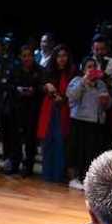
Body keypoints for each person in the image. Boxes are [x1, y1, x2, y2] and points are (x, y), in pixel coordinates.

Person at [65, 58, 111, 189]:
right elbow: (71, 96)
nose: (92, 69)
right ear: (84, 69)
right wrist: (84, 82)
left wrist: (106, 102)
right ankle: (73, 179)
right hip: (79, 120)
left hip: (95, 122)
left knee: (91, 152)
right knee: (77, 150)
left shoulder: (101, 83)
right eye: (89, 67)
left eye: (94, 67)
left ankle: (87, 179)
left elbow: (108, 103)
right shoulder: (77, 81)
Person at [3, 44, 45, 177]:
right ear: (21, 57)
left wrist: (34, 90)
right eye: (25, 56)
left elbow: (43, 87)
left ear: (34, 56)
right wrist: (17, 90)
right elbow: (7, 85)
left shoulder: (40, 70)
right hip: (16, 108)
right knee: (15, 139)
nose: (27, 58)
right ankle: (15, 164)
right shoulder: (14, 69)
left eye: (30, 55)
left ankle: (28, 166)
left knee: (29, 140)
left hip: (32, 110)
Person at [36, 45, 76, 183]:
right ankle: (47, 175)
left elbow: (74, 93)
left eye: (64, 56)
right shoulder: (49, 71)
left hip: (64, 110)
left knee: (60, 143)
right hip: (49, 109)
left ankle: (58, 175)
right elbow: (40, 86)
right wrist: (46, 86)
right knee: (47, 142)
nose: (62, 59)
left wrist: (63, 98)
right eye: (59, 56)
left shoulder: (72, 72)